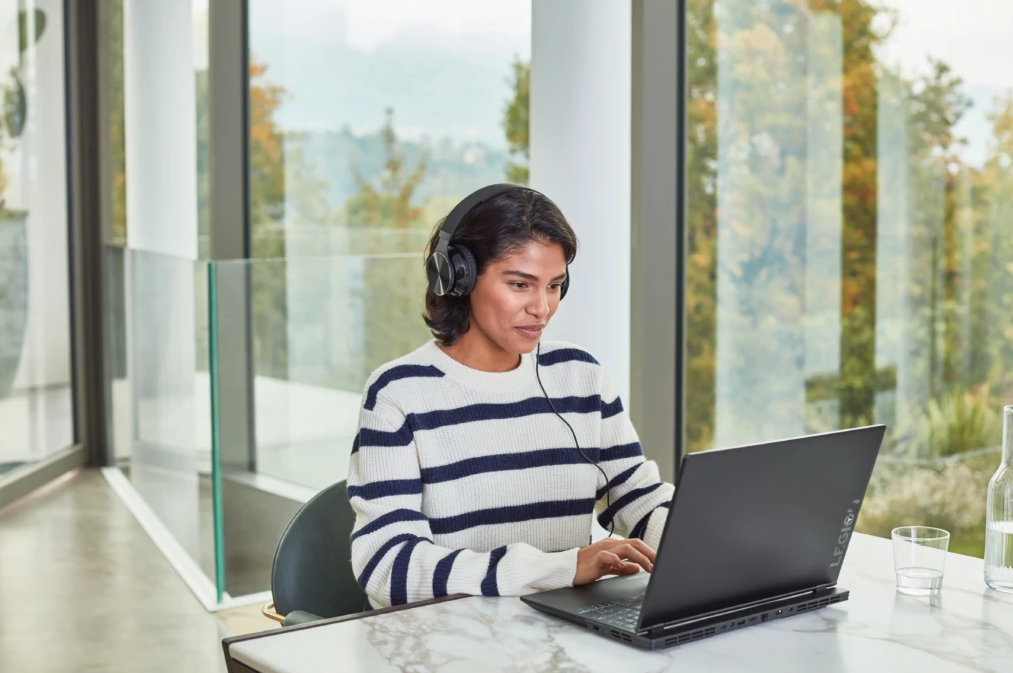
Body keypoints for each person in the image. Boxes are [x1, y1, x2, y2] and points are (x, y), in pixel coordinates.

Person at [347, 185, 675, 609]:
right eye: (521, 285)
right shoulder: (398, 394)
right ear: (458, 276)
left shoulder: (581, 377)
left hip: (560, 638)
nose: (542, 308)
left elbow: (640, 501)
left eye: (554, 286)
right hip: (448, 648)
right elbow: (387, 566)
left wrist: (719, 543)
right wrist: (559, 568)